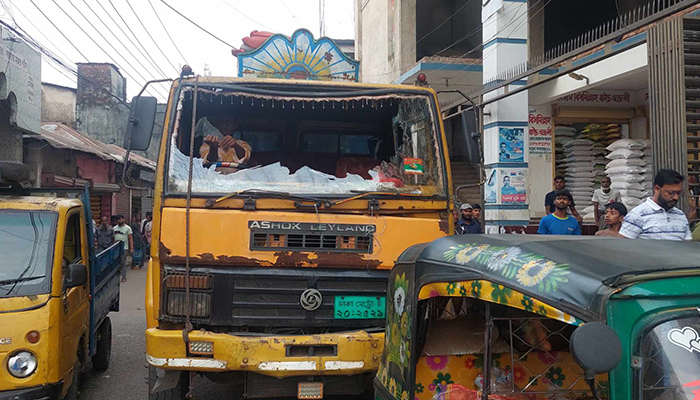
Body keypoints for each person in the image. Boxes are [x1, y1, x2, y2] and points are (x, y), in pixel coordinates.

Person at [619, 169, 692, 241]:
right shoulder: (638, 215)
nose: (676, 197)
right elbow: (623, 247)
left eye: (679, 193)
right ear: (657, 189)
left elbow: (687, 246)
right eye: (671, 193)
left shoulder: (680, 215)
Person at [113, 215, 134, 282]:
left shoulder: (127, 228)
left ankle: (124, 276)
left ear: (123, 219)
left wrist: (131, 248)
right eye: (117, 220)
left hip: (124, 248)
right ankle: (116, 276)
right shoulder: (114, 228)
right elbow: (113, 238)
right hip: (116, 248)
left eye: (120, 219)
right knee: (116, 262)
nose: (119, 221)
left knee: (123, 262)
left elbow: (130, 238)